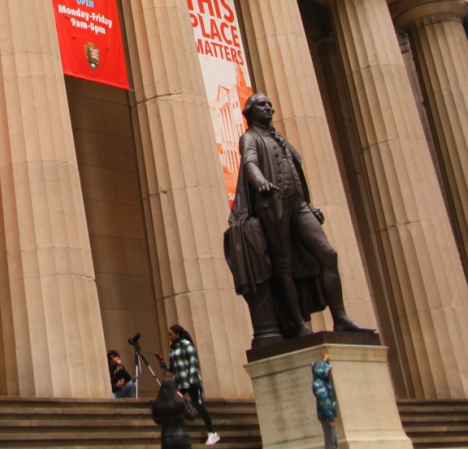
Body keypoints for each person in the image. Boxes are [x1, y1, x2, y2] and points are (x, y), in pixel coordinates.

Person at [225, 93, 369, 344]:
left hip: (298, 204)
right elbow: (249, 163)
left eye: (270, 104)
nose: (269, 108)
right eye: (262, 105)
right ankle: (298, 324)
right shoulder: (250, 137)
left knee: (328, 254)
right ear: (250, 112)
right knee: (284, 266)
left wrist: (309, 204)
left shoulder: (278, 138)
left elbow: (295, 168)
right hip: (273, 204)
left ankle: (341, 317)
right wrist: (261, 184)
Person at [155, 325, 219, 445]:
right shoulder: (173, 348)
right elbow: (174, 367)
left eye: (171, 334)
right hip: (180, 382)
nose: (169, 337)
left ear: (177, 334)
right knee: (172, 403)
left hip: (190, 382)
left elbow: (193, 363)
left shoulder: (186, 345)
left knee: (199, 405)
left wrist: (191, 382)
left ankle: (212, 432)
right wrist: (163, 363)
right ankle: (175, 431)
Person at [150, 379, 190, 449]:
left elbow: (157, 420)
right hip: (182, 436)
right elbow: (191, 415)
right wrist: (184, 399)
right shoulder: (180, 403)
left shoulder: (157, 404)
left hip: (166, 437)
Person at [313, 348, 339, 449]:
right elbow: (323, 401)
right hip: (327, 416)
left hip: (328, 415)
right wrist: (329, 418)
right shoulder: (319, 384)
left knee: (333, 439)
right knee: (331, 440)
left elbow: (321, 370)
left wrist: (325, 359)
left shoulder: (321, 382)